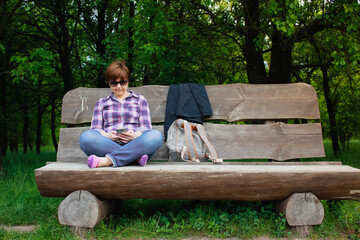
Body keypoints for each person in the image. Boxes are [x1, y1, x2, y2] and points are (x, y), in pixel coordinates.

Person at [79, 60, 163, 168]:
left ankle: (107, 161)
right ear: (109, 83)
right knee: (85, 138)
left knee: (156, 136)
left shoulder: (140, 100)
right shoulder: (102, 102)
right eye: (114, 83)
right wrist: (108, 136)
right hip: (108, 144)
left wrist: (134, 136)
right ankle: (135, 158)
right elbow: (95, 129)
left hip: (136, 143)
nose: (118, 86)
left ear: (127, 81)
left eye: (122, 82)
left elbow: (146, 127)